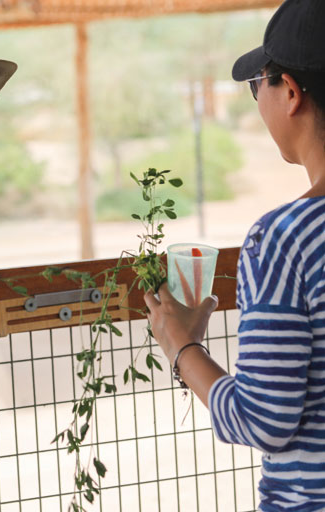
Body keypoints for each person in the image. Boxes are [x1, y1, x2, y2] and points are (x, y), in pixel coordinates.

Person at [144, 1, 325, 510]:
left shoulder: (283, 239)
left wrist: (181, 345)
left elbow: (265, 422)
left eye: (258, 85)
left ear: (290, 92)